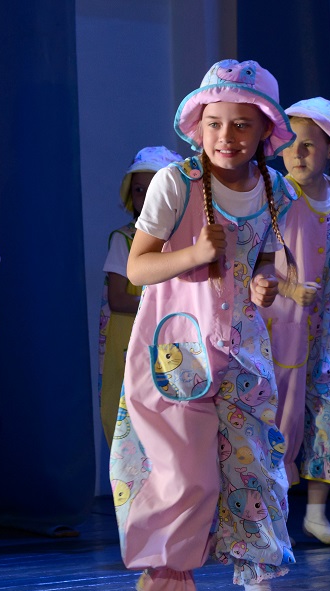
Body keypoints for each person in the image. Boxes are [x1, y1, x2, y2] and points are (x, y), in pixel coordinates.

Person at [110, 59, 305, 591]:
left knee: (256, 467)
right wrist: (195, 253)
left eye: (242, 124)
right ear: (198, 125)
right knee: (184, 475)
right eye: (215, 123)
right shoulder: (178, 183)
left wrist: (265, 282)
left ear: (265, 130)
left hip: (243, 349)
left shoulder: (276, 190)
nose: (227, 136)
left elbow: (262, 260)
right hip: (176, 351)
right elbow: (137, 268)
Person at [261, 97, 330, 546]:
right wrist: (288, 289)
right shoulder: (273, 194)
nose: (297, 154)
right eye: (290, 145)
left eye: (309, 145)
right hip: (278, 320)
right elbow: (251, 259)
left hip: (323, 322)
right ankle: (270, 516)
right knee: (277, 415)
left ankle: (316, 513)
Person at [99, 146, 183, 445]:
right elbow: (118, 299)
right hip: (132, 346)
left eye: (154, 189)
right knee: (132, 419)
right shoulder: (124, 240)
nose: (145, 197)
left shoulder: (184, 243)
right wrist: (166, 304)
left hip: (174, 346)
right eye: (138, 190)